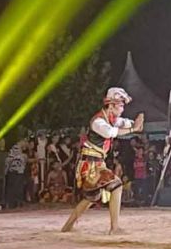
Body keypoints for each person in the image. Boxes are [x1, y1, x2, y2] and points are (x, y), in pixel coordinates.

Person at [61, 87, 144, 234]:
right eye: (120, 105)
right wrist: (134, 129)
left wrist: (137, 121)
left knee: (91, 197)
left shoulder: (112, 119)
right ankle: (114, 228)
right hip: (90, 164)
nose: (122, 108)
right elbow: (111, 133)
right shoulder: (98, 122)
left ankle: (68, 226)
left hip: (96, 163)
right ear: (111, 105)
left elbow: (127, 123)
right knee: (117, 185)